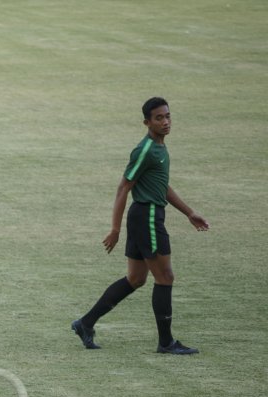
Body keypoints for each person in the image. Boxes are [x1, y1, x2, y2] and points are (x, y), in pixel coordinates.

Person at [72, 97, 210, 355]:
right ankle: (166, 342)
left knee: (135, 278)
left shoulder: (160, 149)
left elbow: (162, 185)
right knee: (165, 277)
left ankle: (85, 323)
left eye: (168, 116)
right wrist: (115, 229)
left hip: (145, 216)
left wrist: (189, 213)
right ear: (147, 122)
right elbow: (124, 187)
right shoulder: (146, 150)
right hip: (147, 217)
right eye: (159, 118)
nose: (165, 121)